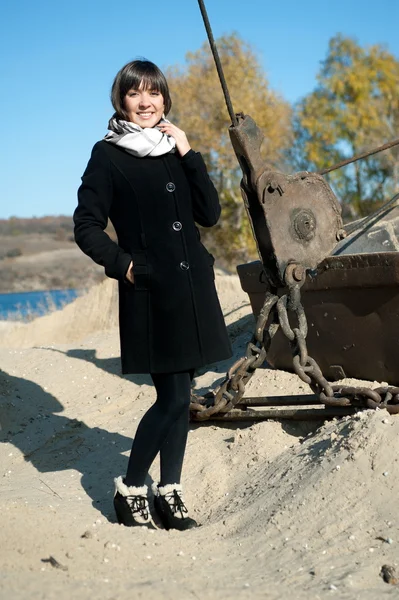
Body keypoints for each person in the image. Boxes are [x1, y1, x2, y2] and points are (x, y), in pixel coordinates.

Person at [73, 59, 232, 531]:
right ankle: (131, 488)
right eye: (135, 94)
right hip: (150, 292)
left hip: (192, 292)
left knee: (180, 398)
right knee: (171, 397)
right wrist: (125, 266)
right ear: (121, 101)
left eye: (154, 93)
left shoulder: (172, 149)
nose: (146, 102)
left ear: (165, 99)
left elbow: (210, 214)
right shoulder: (108, 155)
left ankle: (171, 490)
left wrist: (188, 152)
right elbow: (85, 225)